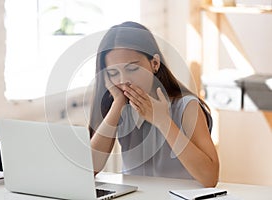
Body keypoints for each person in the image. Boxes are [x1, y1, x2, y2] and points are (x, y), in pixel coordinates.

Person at [89, 21, 219, 187]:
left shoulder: (187, 106)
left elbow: (210, 178)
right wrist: (118, 104)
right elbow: (88, 170)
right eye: (113, 73)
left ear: (155, 63)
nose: (123, 81)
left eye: (132, 69)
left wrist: (162, 121)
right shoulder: (119, 107)